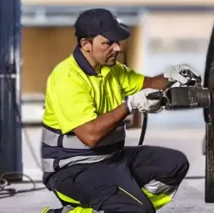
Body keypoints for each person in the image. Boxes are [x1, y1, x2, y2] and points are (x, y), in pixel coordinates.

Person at [39, 8, 200, 213]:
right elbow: (90, 135)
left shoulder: (113, 70)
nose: (118, 48)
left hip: (113, 159)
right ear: (86, 45)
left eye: (117, 41)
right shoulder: (67, 78)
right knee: (136, 210)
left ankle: (120, 205)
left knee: (174, 164)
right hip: (73, 170)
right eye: (108, 43)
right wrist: (130, 105)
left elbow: (148, 83)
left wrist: (171, 74)